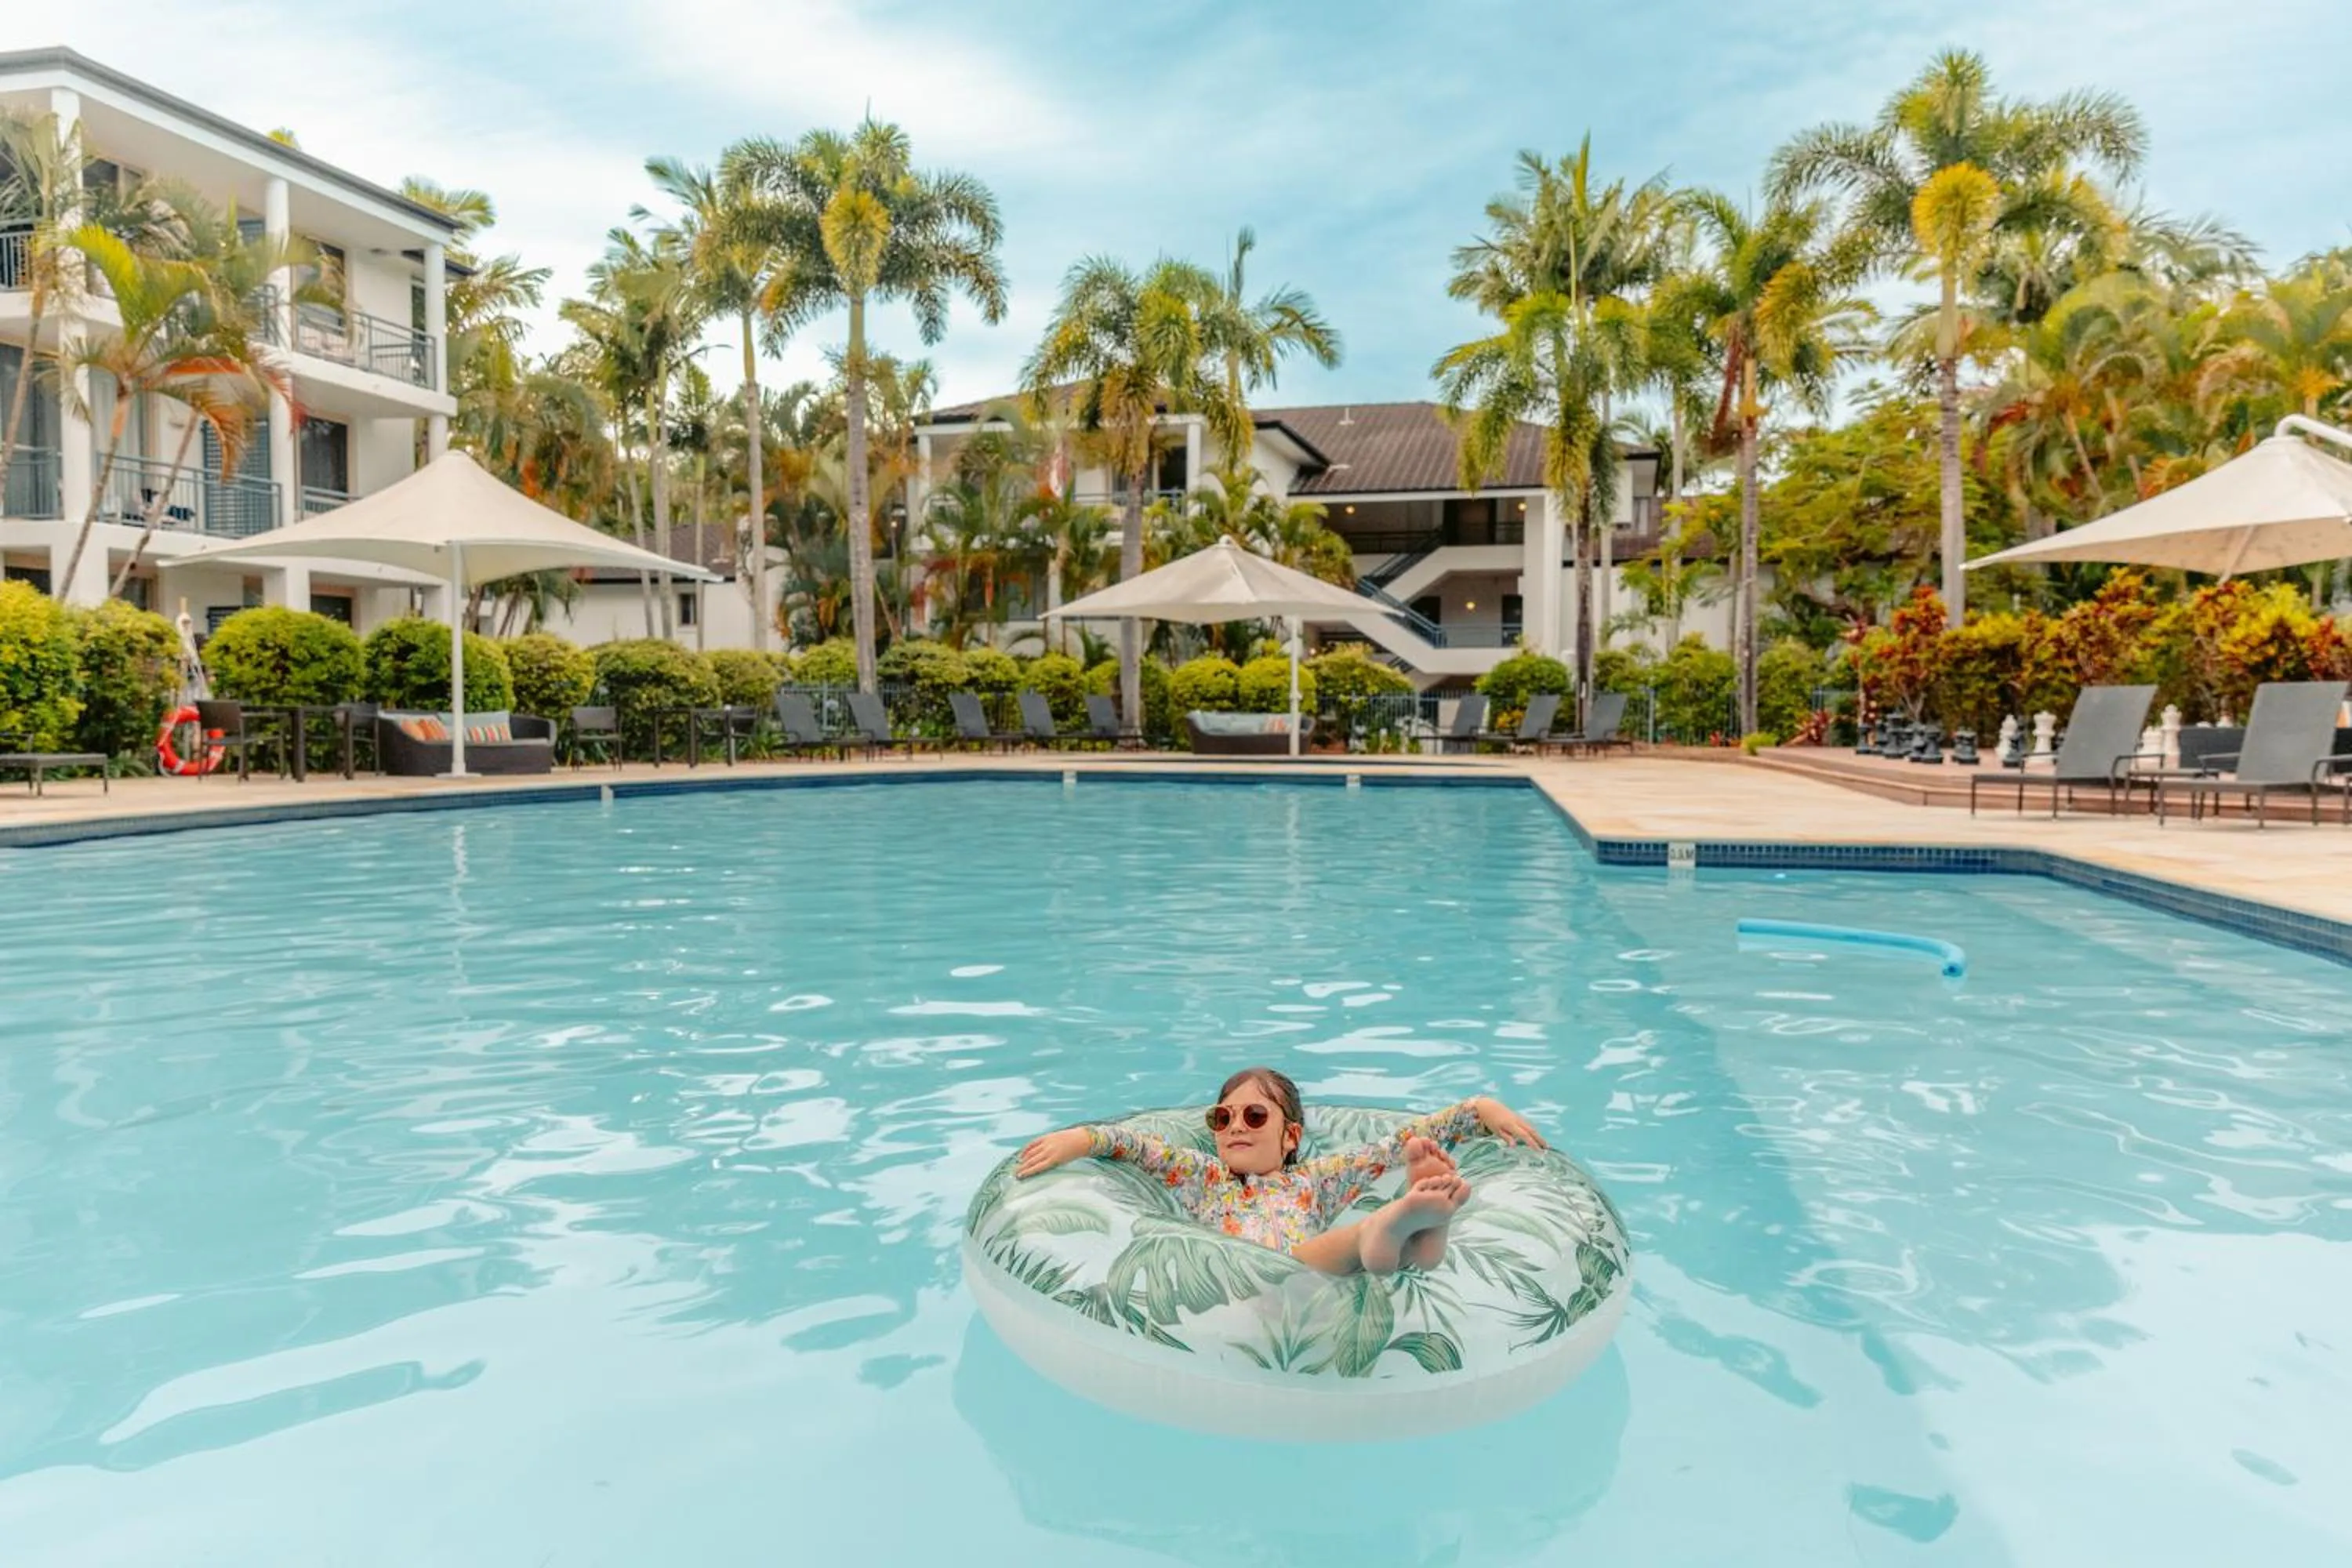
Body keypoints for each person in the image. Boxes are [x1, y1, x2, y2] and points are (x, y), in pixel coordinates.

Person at [1014, 1065, 1547, 1276]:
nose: (1234, 1127)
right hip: (1254, 1282)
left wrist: (1478, 1110)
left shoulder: (1316, 1181)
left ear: (1290, 1136)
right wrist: (1080, 1138)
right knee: (1333, 1251)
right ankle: (1401, 1226)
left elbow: (1393, 1143)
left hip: (1318, 1281)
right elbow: (1137, 1147)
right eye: (1222, 1118)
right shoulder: (1201, 1175)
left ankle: (1415, 1231)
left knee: (1355, 1255)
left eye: (1253, 1116)